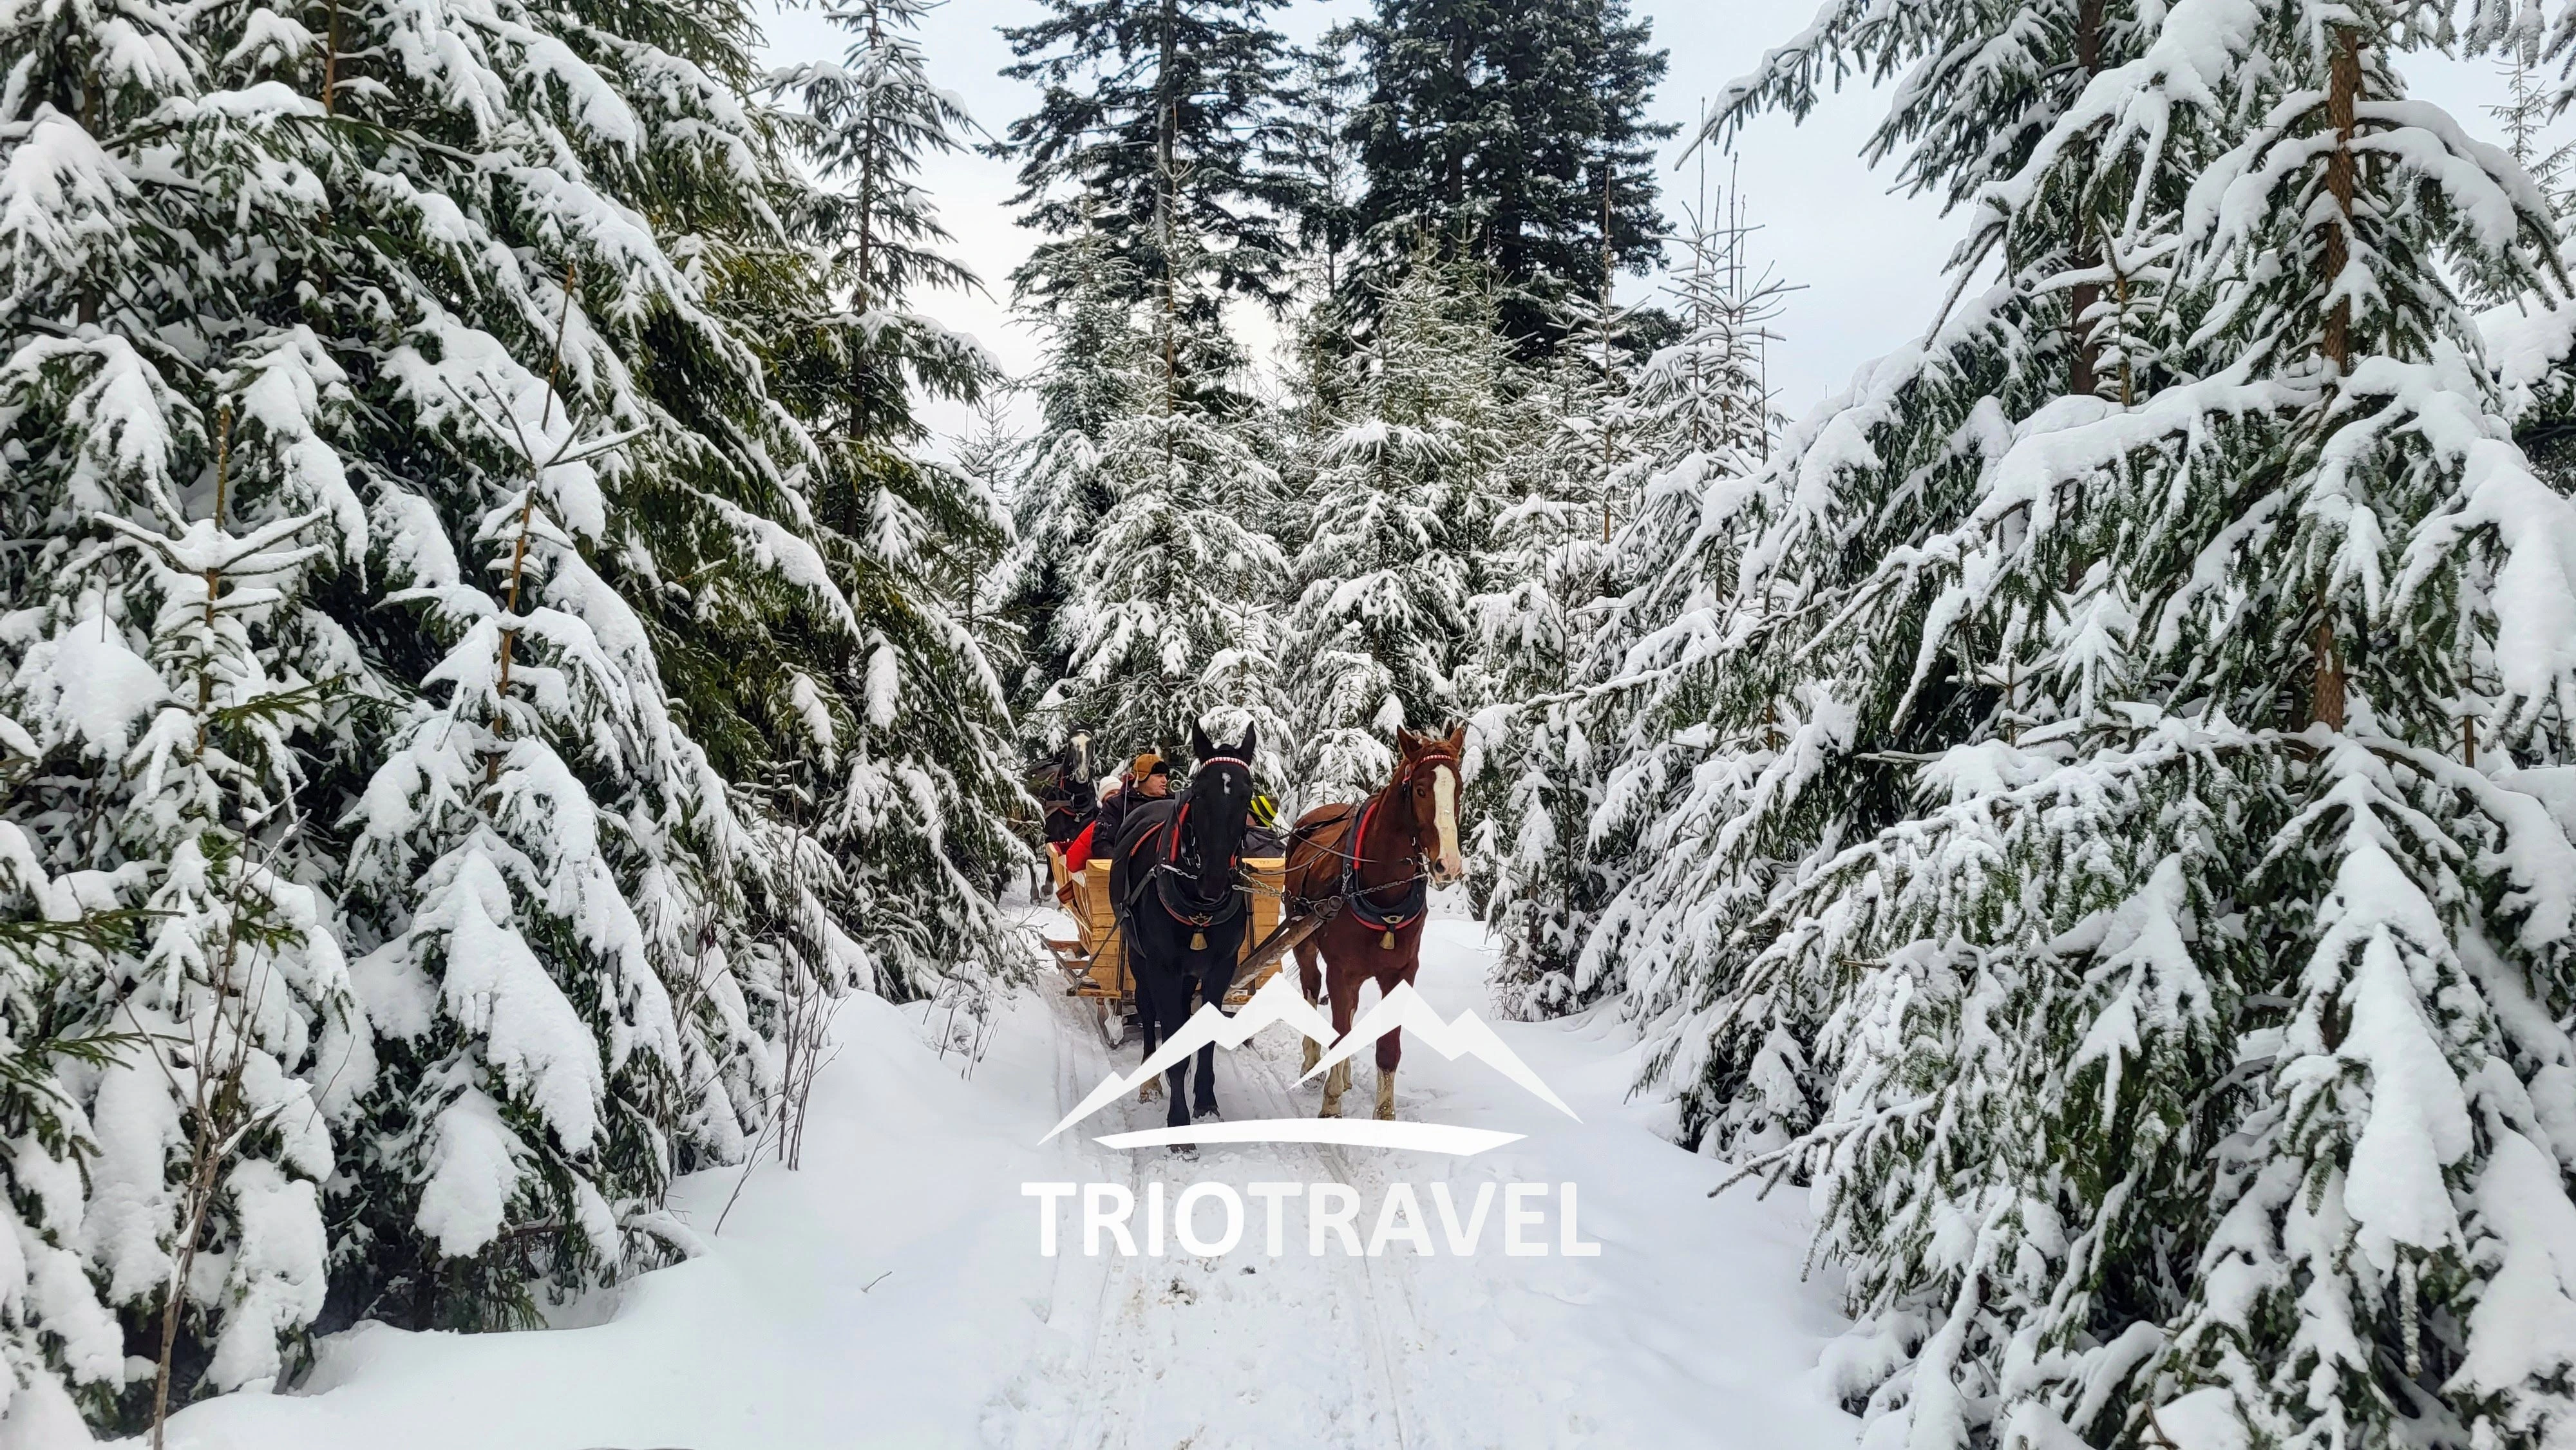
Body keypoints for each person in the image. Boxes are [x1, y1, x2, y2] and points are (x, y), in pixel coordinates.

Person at [1092, 752, 1170, 851]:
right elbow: (1102, 843)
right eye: (1159, 776)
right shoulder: (1117, 804)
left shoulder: (1173, 804)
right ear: (1142, 777)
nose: (1165, 780)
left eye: (1165, 776)